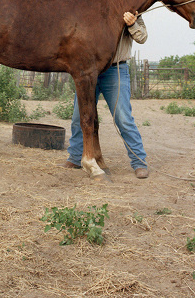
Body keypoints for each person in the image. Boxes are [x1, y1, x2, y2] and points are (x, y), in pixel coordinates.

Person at [63, 10, 149, 178]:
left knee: (123, 118)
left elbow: (142, 37)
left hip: (116, 69)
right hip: (89, 69)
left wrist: (132, 24)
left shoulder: (133, 11)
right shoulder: (94, 9)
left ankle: (139, 161)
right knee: (78, 116)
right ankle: (75, 156)